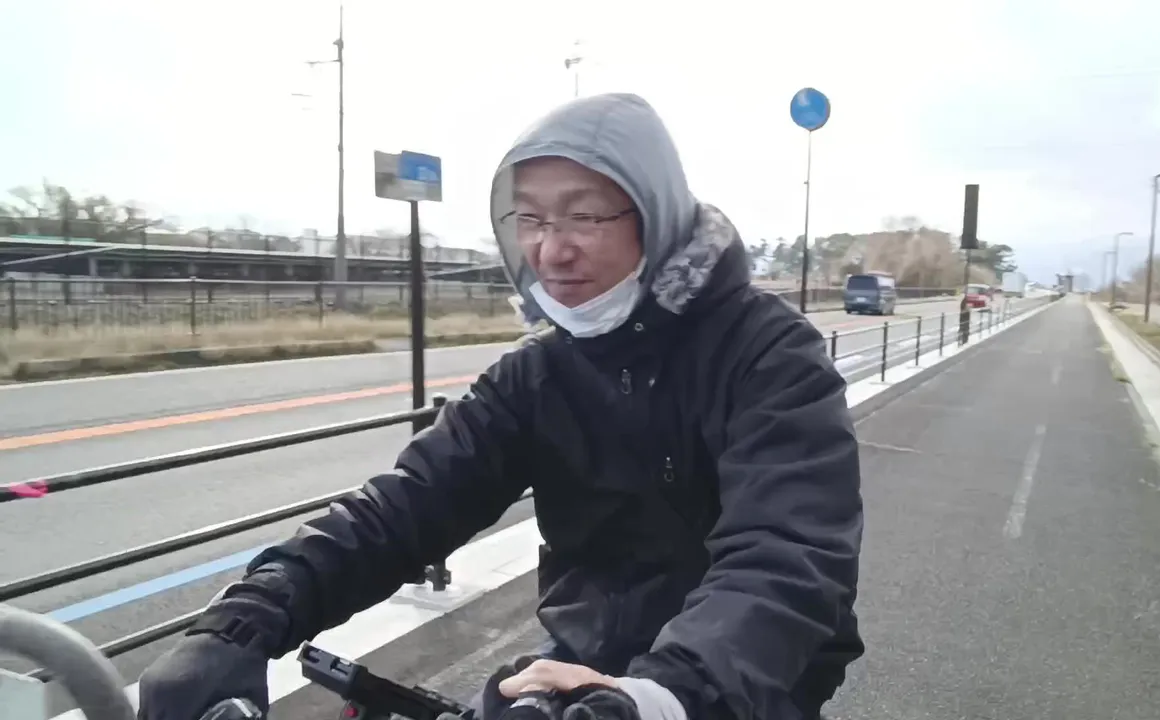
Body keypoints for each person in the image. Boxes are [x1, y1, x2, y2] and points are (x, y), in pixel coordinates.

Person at [138, 92, 864, 720]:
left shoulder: (769, 356)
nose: (551, 250)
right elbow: (406, 506)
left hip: (733, 688)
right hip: (573, 674)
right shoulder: (536, 375)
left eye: (583, 216)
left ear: (656, 215)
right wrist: (247, 618)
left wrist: (658, 696)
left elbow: (784, 556)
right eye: (531, 219)